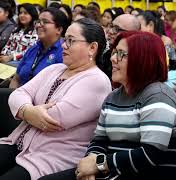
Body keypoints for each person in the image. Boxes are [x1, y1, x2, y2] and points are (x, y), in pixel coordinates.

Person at [39, 31, 176, 180]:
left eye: (121, 54)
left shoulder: (158, 96)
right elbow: (99, 140)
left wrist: (99, 164)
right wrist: (91, 164)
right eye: (114, 52)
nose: (112, 58)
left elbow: (151, 153)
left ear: (142, 60)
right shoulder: (113, 96)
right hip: (113, 172)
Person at [0, 18, 112, 180]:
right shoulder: (55, 69)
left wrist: (24, 108)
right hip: (18, 143)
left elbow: (53, 119)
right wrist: (27, 110)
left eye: (71, 41)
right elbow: (17, 94)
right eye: (64, 39)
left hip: (51, 157)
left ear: (92, 48)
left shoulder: (97, 81)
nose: (64, 45)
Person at [9, 7, 69, 88]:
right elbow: (16, 79)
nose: (38, 25)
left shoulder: (64, 53)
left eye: (45, 22)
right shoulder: (33, 49)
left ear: (59, 29)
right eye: (38, 21)